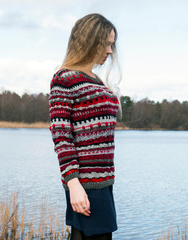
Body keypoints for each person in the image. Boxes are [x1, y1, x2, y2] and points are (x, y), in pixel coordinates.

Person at [49, 13, 121, 240]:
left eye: (112, 45)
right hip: (84, 183)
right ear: (90, 40)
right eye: (106, 44)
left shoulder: (96, 80)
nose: (110, 51)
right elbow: (62, 136)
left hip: (105, 181)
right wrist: (73, 184)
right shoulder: (65, 78)